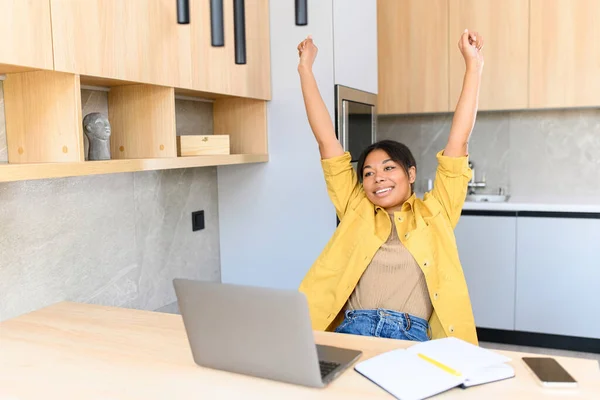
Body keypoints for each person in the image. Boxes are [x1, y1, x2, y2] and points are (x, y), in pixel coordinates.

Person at [296, 29, 484, 345]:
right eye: (367, 173)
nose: (377, 177)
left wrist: (473, 65)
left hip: (411, 335)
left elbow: (459, 140)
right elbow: (326, 140)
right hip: (354, 330)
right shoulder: (355, 207)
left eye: (388, 168)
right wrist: (305, 69)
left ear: (410, 174)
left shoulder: (435, 212)